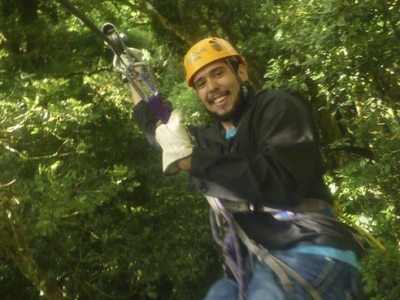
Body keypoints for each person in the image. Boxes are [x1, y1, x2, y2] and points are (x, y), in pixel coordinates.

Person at [127, 37, 368, 300]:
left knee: (267, 291)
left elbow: (282, 181)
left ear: (241, 71)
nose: (212, 87)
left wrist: (193, 159)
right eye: (201, 83)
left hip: (309, 247)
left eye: (218, 73)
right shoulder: (213, 140)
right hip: (250, 266)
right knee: (219, 294)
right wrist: (133, 77)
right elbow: (160, 130)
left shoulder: (277, 107)